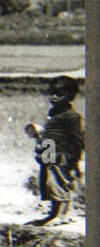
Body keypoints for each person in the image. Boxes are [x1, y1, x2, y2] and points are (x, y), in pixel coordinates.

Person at [24, 75, 84, 225]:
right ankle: (53, 213)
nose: (54, 97)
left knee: (60, 182)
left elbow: (77, 139)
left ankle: (62, 215)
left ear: (70, 96)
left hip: (62, 154)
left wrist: (74, 159)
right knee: (49, 182)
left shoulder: (72, 116)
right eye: (51, 93)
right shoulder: (54, 113)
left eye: (59, 94)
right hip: (49, 151)